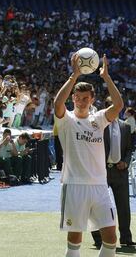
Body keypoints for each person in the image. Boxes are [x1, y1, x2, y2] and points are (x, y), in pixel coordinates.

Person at [54, 54, 123, 257]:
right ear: (73, 98)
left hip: (100, 186)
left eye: (86, 98)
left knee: (111, 238)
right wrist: (74, 76)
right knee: (75, 240)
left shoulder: (99, 119)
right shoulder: (66, 120)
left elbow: (118, 106)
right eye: (77, 97)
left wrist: (106, 77)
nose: (81, 101)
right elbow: (58, 103)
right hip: (74, 185)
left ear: (92, 99)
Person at [91, 97, 135, 248]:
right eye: (112, 106)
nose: (116, 109)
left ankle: (126, 237)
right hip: (100, 172)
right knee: (97, 206)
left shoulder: (125, 127)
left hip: (120, 172)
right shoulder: (98, 126)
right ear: (106, 108)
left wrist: (125, 162)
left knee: (124, 206)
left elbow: (129, 149)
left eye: (118, 107)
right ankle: (98, 238)